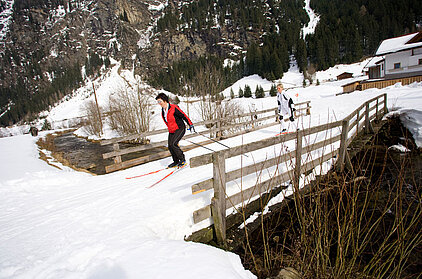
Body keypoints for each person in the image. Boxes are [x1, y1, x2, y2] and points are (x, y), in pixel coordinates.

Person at [156, 93, 194, 168]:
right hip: (172, 130)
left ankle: (182, 160)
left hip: (180, 128)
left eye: (160, 101)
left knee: (174, 144)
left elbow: (183, 115)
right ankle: (176, 161)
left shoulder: (174, 108)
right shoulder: (163, 111)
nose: (159, 103)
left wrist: (190, 124)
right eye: (158, 102)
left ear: (165, 100)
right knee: (170, 146)